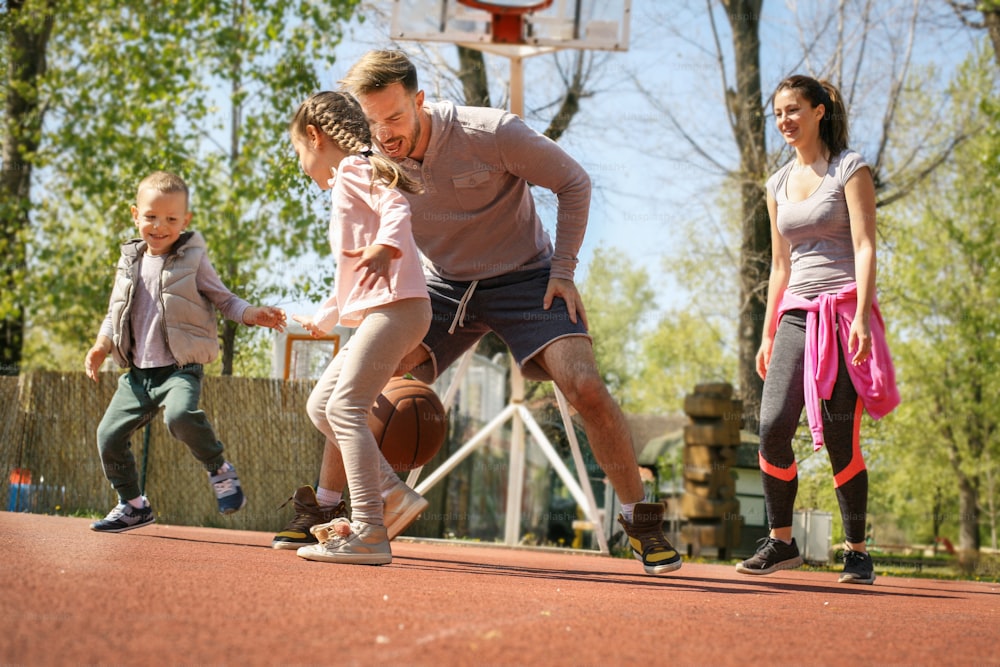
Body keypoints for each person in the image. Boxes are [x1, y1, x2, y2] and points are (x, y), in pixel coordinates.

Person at [327, 49, 682, 575]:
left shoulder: (490, 132)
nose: (385, 133)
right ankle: (332, 503)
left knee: (583, 385)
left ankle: (640, 520)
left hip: (525, 274)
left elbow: (574, 183)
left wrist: (563, 269)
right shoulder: (371, 157)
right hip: (444, 285)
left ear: (420, 100)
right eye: (373, 121)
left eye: (396, 117)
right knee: (359, 382)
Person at [735, 75, 898, 584]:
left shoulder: (851, 169)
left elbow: (866, 245)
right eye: (778, 113)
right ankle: (782, 542)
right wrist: (766, 333)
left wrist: (865, 317)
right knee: (772, 426)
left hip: (844, 314)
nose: (784, 120)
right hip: (794, 316)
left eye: (793, 110)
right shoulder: (777, 184)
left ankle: (857, 551)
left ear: (819, 111)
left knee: (841, 435)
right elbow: (779, 266)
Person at [277, 91, 432, 565]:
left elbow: (396, 208)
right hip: (383, 310)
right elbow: (354, 278)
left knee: (346, 407)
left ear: (314, 136)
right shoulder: (359, 170)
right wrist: (323, 317)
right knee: (323, 405)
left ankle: (368, 530)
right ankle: (391, 493)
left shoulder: (353, 168)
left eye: (300, 153)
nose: (304, 166)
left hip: (397, 309)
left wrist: (387, 246)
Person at [85, 171, 287, 533]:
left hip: (179, 369)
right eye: (150, 217)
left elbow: (223, 299)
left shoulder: (192, 260)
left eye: (171, 219)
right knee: (108, 436)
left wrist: (251, 314)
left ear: (185, 221)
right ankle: (133, 505)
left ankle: (218, 469)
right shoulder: (129, 262)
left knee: (178, 416)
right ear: (135, 215)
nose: (159, 226)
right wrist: (102, 345)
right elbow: (114, 311)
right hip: (136, 375)